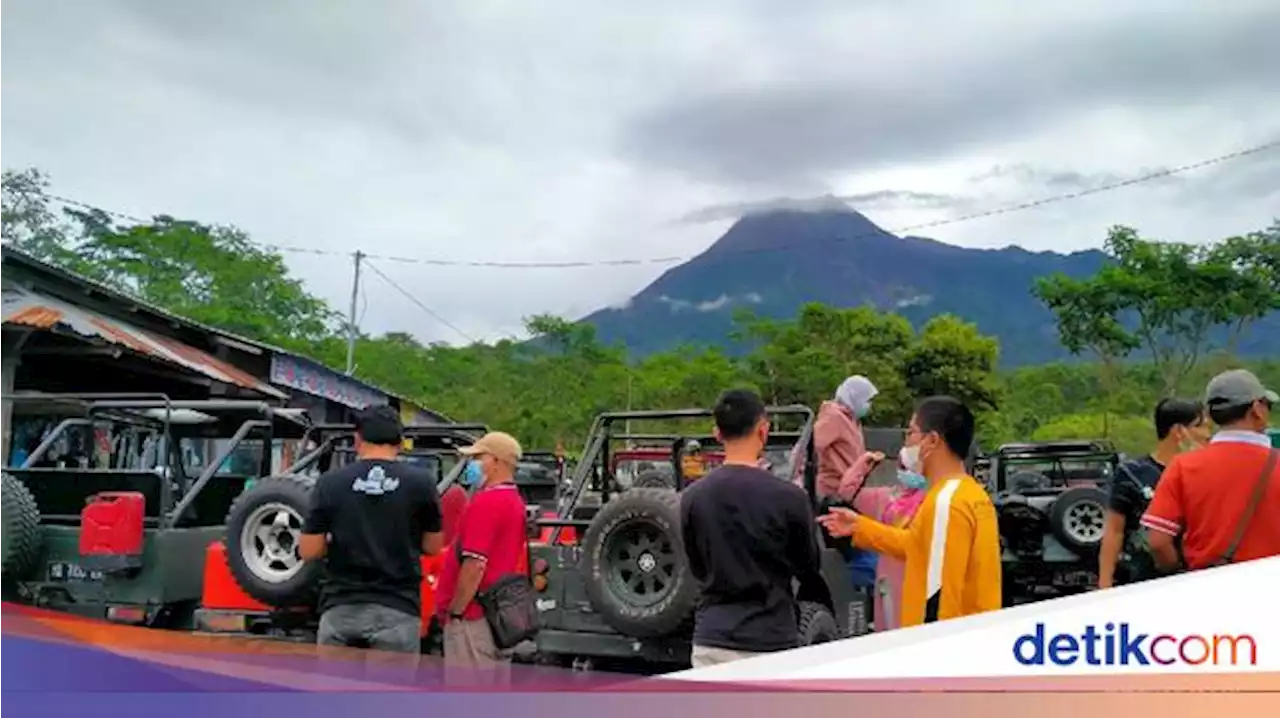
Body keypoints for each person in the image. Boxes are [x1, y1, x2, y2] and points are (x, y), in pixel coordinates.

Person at [818, 396, 1001, 627]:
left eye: (911, 433)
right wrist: (860, 527)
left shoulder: (945, 502)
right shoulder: (968, 494)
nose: (906, 443)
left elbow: (938, 597)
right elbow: (916, 545)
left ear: (932, 440)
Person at [680, 389, 823, 668]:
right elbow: (808, 567)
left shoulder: (693, 497)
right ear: (763, 430)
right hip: (771, 639)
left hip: (712, 640)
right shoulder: (789, 497)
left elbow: (697, 566)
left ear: (718, 434)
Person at [300, 406, 443, 655]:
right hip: (398, 609)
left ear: (358, 439)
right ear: (399, 442)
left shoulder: (330, 483)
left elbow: (309, 550)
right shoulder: (421, 483)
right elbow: (433, 547)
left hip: (340, 607)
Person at [1141, 369, 1280, 572]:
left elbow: (1158, 542)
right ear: (1256, 409)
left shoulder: (1183, 466)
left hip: (1206, 589)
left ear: (1209, 414)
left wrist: (1178, 573)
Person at [436, 431, 528, 683]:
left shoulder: (487, 502)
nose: (473, 464)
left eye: (478, 457)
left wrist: (456, 611)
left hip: (473, 618)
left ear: (496, 461)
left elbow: (475, 563)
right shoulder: (515, 501)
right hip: (499, 617)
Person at [1097, 398, 1208, 589]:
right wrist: (1105, 583)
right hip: (1143, 579)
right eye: (1200, 426)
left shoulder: (1206, 472)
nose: (1207, 434)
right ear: (1179, 431)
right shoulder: (1132, 473)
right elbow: (1115, 531)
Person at [811, 375, 885, 618]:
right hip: (834, 494)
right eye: (866, 400)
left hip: (850, 489)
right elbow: (815, 446)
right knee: (861, 552)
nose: (868, 405)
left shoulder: (851, 419)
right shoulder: (833, 417)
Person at [834, 452, 928, 632]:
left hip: (918, 580)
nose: (907, 472)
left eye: (912, 468)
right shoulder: (887, 498)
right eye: (903, 467)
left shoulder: (934, 500)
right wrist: (863, 465)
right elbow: (846, 493)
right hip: (889, 581)